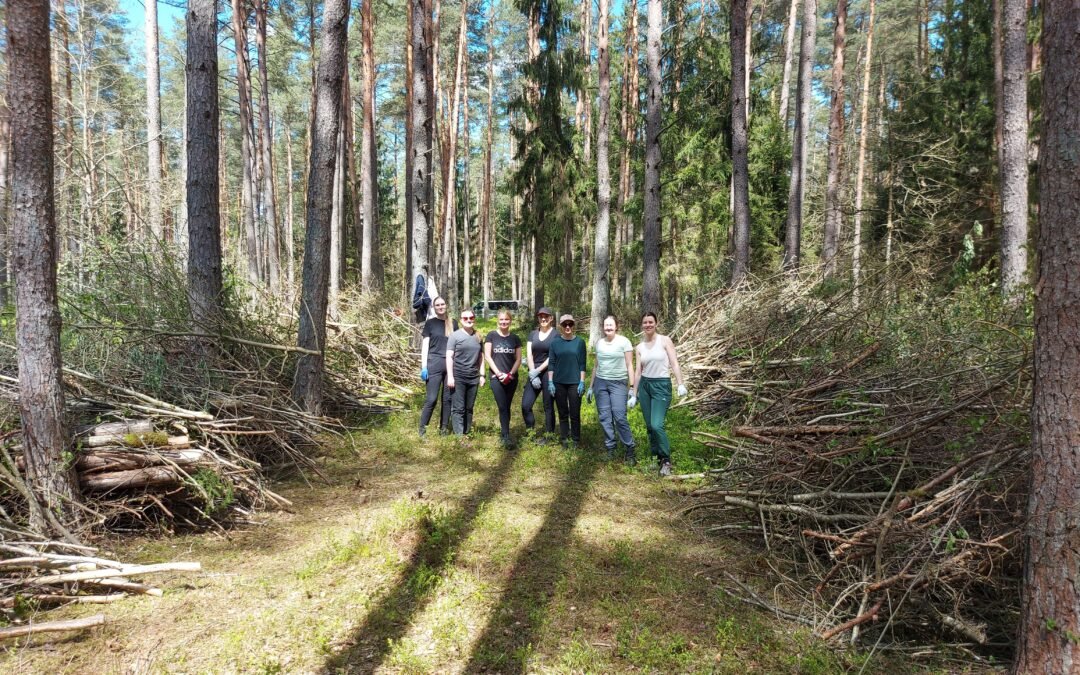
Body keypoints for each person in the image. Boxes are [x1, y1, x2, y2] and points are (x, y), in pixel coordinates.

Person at [632, 312, 688, 476]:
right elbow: (637, 372)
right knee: (650, 426)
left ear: (656, 324)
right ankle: (655, 458)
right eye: (645, 322)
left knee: (657, 424)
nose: (648, 325)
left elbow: (674, 363)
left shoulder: (665, 341)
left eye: (650, 322)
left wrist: (680, 383)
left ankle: (666, 460)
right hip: (645, 386)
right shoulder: (640, 347)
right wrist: (634, 393)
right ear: (642, 325)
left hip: (661, 385)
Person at [587, 315, 637, 463]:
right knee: (604, 417)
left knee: (619, 416)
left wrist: (632, 388)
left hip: (619, 383)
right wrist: (591, 387)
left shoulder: (624, 342)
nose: (608, 327)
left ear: (616, 326)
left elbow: (629, 365)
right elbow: (596, 365)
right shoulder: (599, 343)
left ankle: (630, 450)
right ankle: (611, 448)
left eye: (611, 325)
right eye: (606, 325)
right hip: (601, 383)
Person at [418, 297, 458, 437]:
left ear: (446, 305)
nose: (440, 307)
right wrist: (424, 367)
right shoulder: (430, 323)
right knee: (432, 399)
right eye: (437, 305)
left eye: (442, 304)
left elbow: (458, 345)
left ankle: (444, 429)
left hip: (450, 366)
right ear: (434, 308)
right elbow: (425, 346)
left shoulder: (453, 323)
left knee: (447, 399)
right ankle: (422, 429)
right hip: (433, 364)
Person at [547, 314, 587, 448]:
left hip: (575, 382)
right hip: (559, 382)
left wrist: (582, 381)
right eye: (565, 325)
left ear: (573, 325)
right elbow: (551, 363)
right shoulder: (555, 343)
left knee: (575, 412)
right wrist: (550, 382)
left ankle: (576, 439)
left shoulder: (580, 342)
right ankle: (564, 437)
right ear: (560, 326)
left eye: (570, 324)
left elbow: (582, 363)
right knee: (563, 411)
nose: (568, 327)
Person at [484, 309, 523, 448]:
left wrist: (510, 374)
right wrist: (499, 373)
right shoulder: (491, 336)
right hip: (496, 377)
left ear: (510, 321)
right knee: (502, 406)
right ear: (497, 321)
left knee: (507, 405)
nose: (504, 322)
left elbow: (518, 359)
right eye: (501, 320)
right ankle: (505, 435)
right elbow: (487, 356)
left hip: (512, 377)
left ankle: (505, 431)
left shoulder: (515, 338)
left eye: (506, 320)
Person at [446, 308, 485, 435]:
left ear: (474, 319)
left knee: (469, 407)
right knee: (458, 408)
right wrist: (450, 377)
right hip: (458, 376)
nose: (468, 320)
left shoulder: (478, 336)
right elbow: (449, 357)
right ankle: (459, 436)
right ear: (461, 320)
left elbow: (481, 357)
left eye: (471, 318)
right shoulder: (454, 336)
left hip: (473, 377)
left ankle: (467, 432)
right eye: (465, 318)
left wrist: (482, 375)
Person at [521, 307, 557, 441]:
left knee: (548, 405)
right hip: (533, 372)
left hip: (549, 372)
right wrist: (532, 372)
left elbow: (552, 356)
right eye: (541, 316)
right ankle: (530, 431)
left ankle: (549, 435)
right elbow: (529, 354)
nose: (543, 319)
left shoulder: (555, 335)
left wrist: (538, 370)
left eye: (546, 316)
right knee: (526, 405)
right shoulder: (532, 334)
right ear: (538, 318)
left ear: (551, 318)